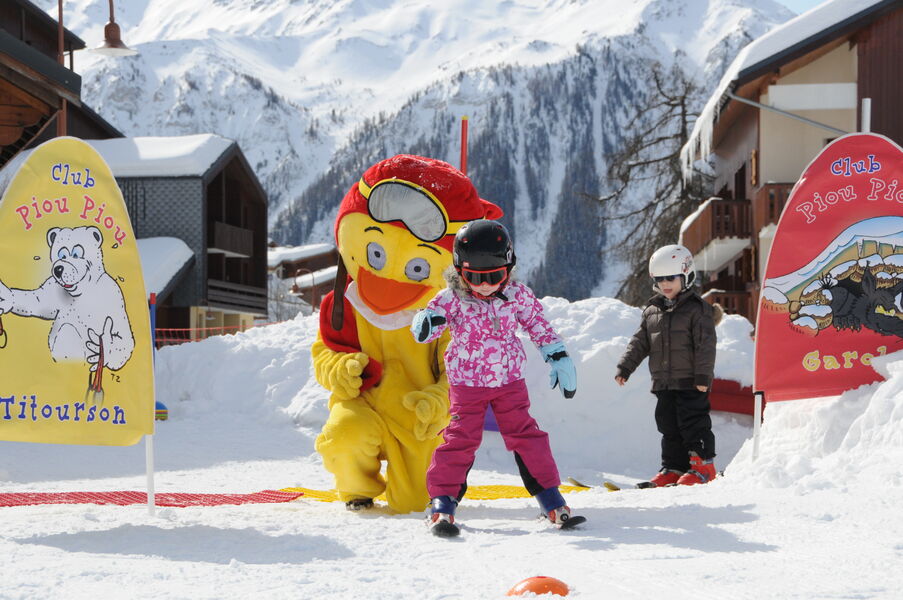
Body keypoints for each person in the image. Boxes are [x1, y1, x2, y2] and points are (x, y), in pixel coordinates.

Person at [410, 219, 579, 535]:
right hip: (467, 384)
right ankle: (442, 503)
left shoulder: (517, 295)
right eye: (475, 277)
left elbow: (538, 325)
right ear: (460, 271)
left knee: (527, 436)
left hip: (509, 382)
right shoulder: (453, 298)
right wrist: (425, 323)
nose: (485, 285)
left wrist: (557, 355)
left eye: (495, 276)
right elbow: (432, 324)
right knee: (461, 439)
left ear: (509, 268)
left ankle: (551, 499)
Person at [615, 244, 719, 487]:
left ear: (686, 275)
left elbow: (706, 346)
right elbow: (640, 342)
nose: (665, 284)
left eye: (671, 278)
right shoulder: (652, 311)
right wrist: (625, 367)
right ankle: (674, 467)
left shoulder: (698, 310)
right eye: (660, 279)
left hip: (692, 383)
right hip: (663, 383)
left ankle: (703, 466)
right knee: (668, 426)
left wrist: (704, 376)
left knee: (693, 424)